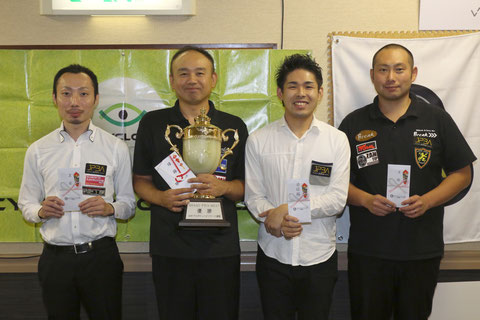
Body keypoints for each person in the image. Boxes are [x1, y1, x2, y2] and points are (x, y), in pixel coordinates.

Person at [338, 44, 477, 320]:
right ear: (372, 75)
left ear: (413, 73)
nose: (391, 77)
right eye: (383, 69)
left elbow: (463, 174)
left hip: (421, 251)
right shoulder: (354, 123)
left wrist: (428, 201)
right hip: (369, 251)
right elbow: (333, 183)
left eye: (399, 69)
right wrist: (365, 199)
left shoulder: (437, 119)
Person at [132, 46, 248, 320]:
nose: (192, 80)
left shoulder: (233, 126)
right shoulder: (153, 123)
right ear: (172, 81)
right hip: (170, 245)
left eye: (200, 72)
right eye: (183, 73)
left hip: (220, 247)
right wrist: (160, 198)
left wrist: (224, 188)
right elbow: (140, 180)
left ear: (214, 79)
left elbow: (244, 185)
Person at [18, 64, 136, 319]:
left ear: (95, 99)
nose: (74, 101)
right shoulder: (38, 150)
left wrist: (109, 208)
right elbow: (25, 204)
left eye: (83, 93)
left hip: (101, 257)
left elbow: (128, 203)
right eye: (66, 93)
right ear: (54, 98)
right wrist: (40, 210)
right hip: (55, 259)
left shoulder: (115, 148)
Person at [245, 54, 351, 320]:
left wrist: (287, 210)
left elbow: (337, 199)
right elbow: (253, 196)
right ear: (280, 93)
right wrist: (276, 219)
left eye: (308, 86)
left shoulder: (337, 141)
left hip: (319, 256)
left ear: (320, 92)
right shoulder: (258, 140)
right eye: (292, 86)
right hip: (273, 254)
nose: (300, 93)